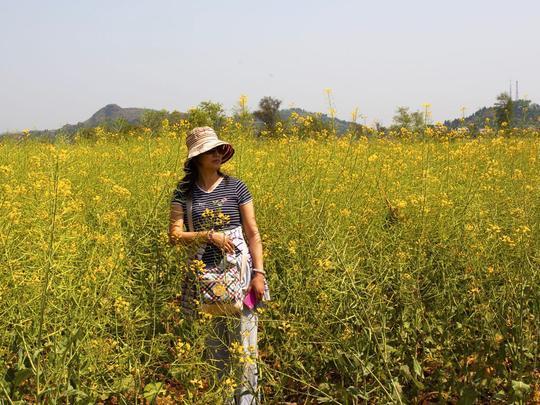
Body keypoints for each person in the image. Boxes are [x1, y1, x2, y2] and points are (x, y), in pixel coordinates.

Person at [168, 126, 270, 404]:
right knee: (216, 349)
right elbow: (174, 236)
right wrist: (208, 235)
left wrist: (259, 274)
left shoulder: (236, 186)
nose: (216, 154)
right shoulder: (183, 192)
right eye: (208, 151)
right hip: (205, 280)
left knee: (246, 348)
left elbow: (252, 232)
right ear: (195, 158)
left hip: (243, 275)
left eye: (217, 149)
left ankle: (247, 401)